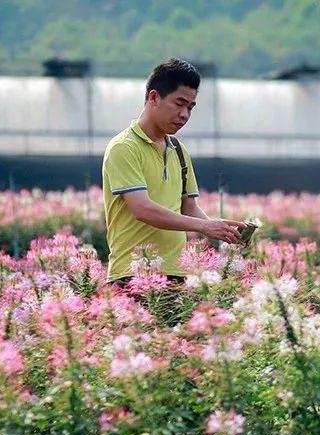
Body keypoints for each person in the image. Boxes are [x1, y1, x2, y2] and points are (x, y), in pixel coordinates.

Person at [102, 58, 244, 287]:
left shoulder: (178, 151)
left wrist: (219, 229)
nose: (185, 114)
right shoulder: (124, 147)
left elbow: (189, 207)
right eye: (179, 103)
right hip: (133, 275)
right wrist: (204, 226)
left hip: (177, 275)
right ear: (154, 97)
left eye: (190, 107)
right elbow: (142, 209)